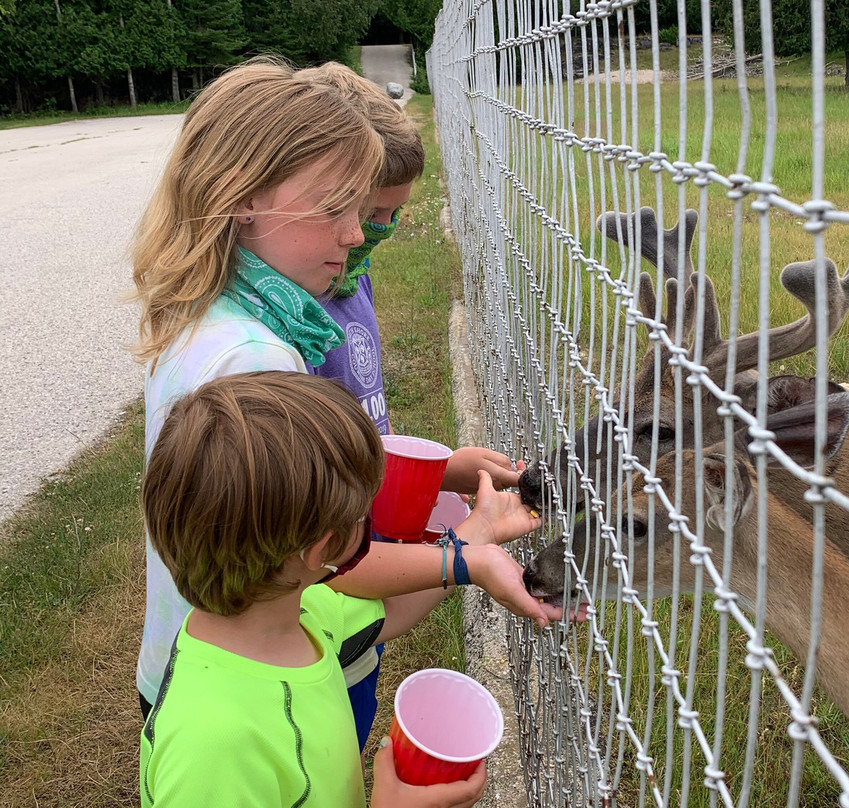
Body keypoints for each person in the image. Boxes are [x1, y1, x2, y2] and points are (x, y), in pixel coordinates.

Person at [130, 55, 567, 719]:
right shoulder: (257, 365)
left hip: (204, 662)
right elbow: (323, 560)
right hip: (258, 694)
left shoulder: (217, 314)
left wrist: (443, 484)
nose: (357, 233)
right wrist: (467, 550)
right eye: (336, 207)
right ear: (242, 194)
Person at [140, 370, 532, 807]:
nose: (370, 519)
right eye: (368, 509)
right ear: (323, 549)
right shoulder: (212, 746)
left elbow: (392, 610)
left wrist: (478, 537)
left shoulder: (302, 614)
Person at [292, 63, 526, 751]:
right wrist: (463, 555)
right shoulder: (283, 328)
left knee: (345, 723)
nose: (374, 234)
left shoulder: (346, 281)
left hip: (341, 590)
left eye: (394, 216)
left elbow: (359, 426)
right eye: (367, 216)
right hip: (308, 591)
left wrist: (441, 470)